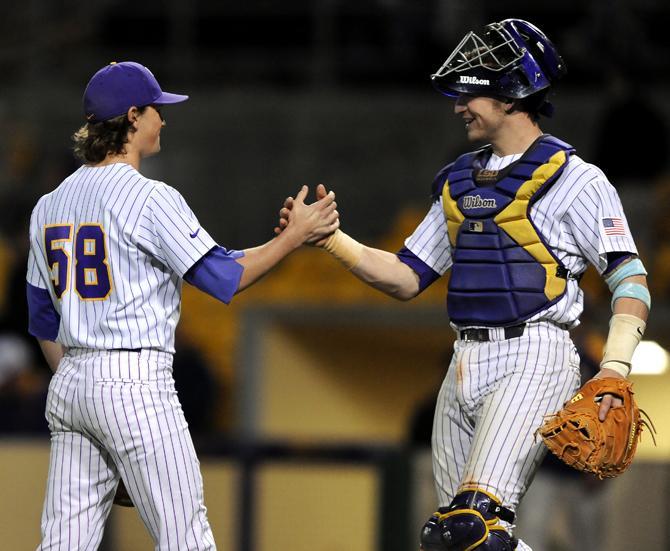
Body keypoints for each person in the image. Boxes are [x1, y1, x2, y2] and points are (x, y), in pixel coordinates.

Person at [276, 19, 650, 550]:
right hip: (462, 362)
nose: (458, 106)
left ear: (512, 94)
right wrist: (332, 240)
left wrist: (613, 370)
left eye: (470, 92)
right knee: (450, 539)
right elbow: (407, 277)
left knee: (474, 528)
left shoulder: (577, 179)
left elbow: (630, 279)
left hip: (533, 355)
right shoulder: (458, 180)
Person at [26, 61, 339, 550]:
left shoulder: (48, 204)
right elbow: (225, 279)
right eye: (156, 110)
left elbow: (44, 320)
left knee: (64, 544)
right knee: (186, 540)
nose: (163, 120)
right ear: (133, 117)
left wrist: (82, 388)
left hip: (70, 383)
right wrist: (296, 236)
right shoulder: (150, 198)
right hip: (133, 384)